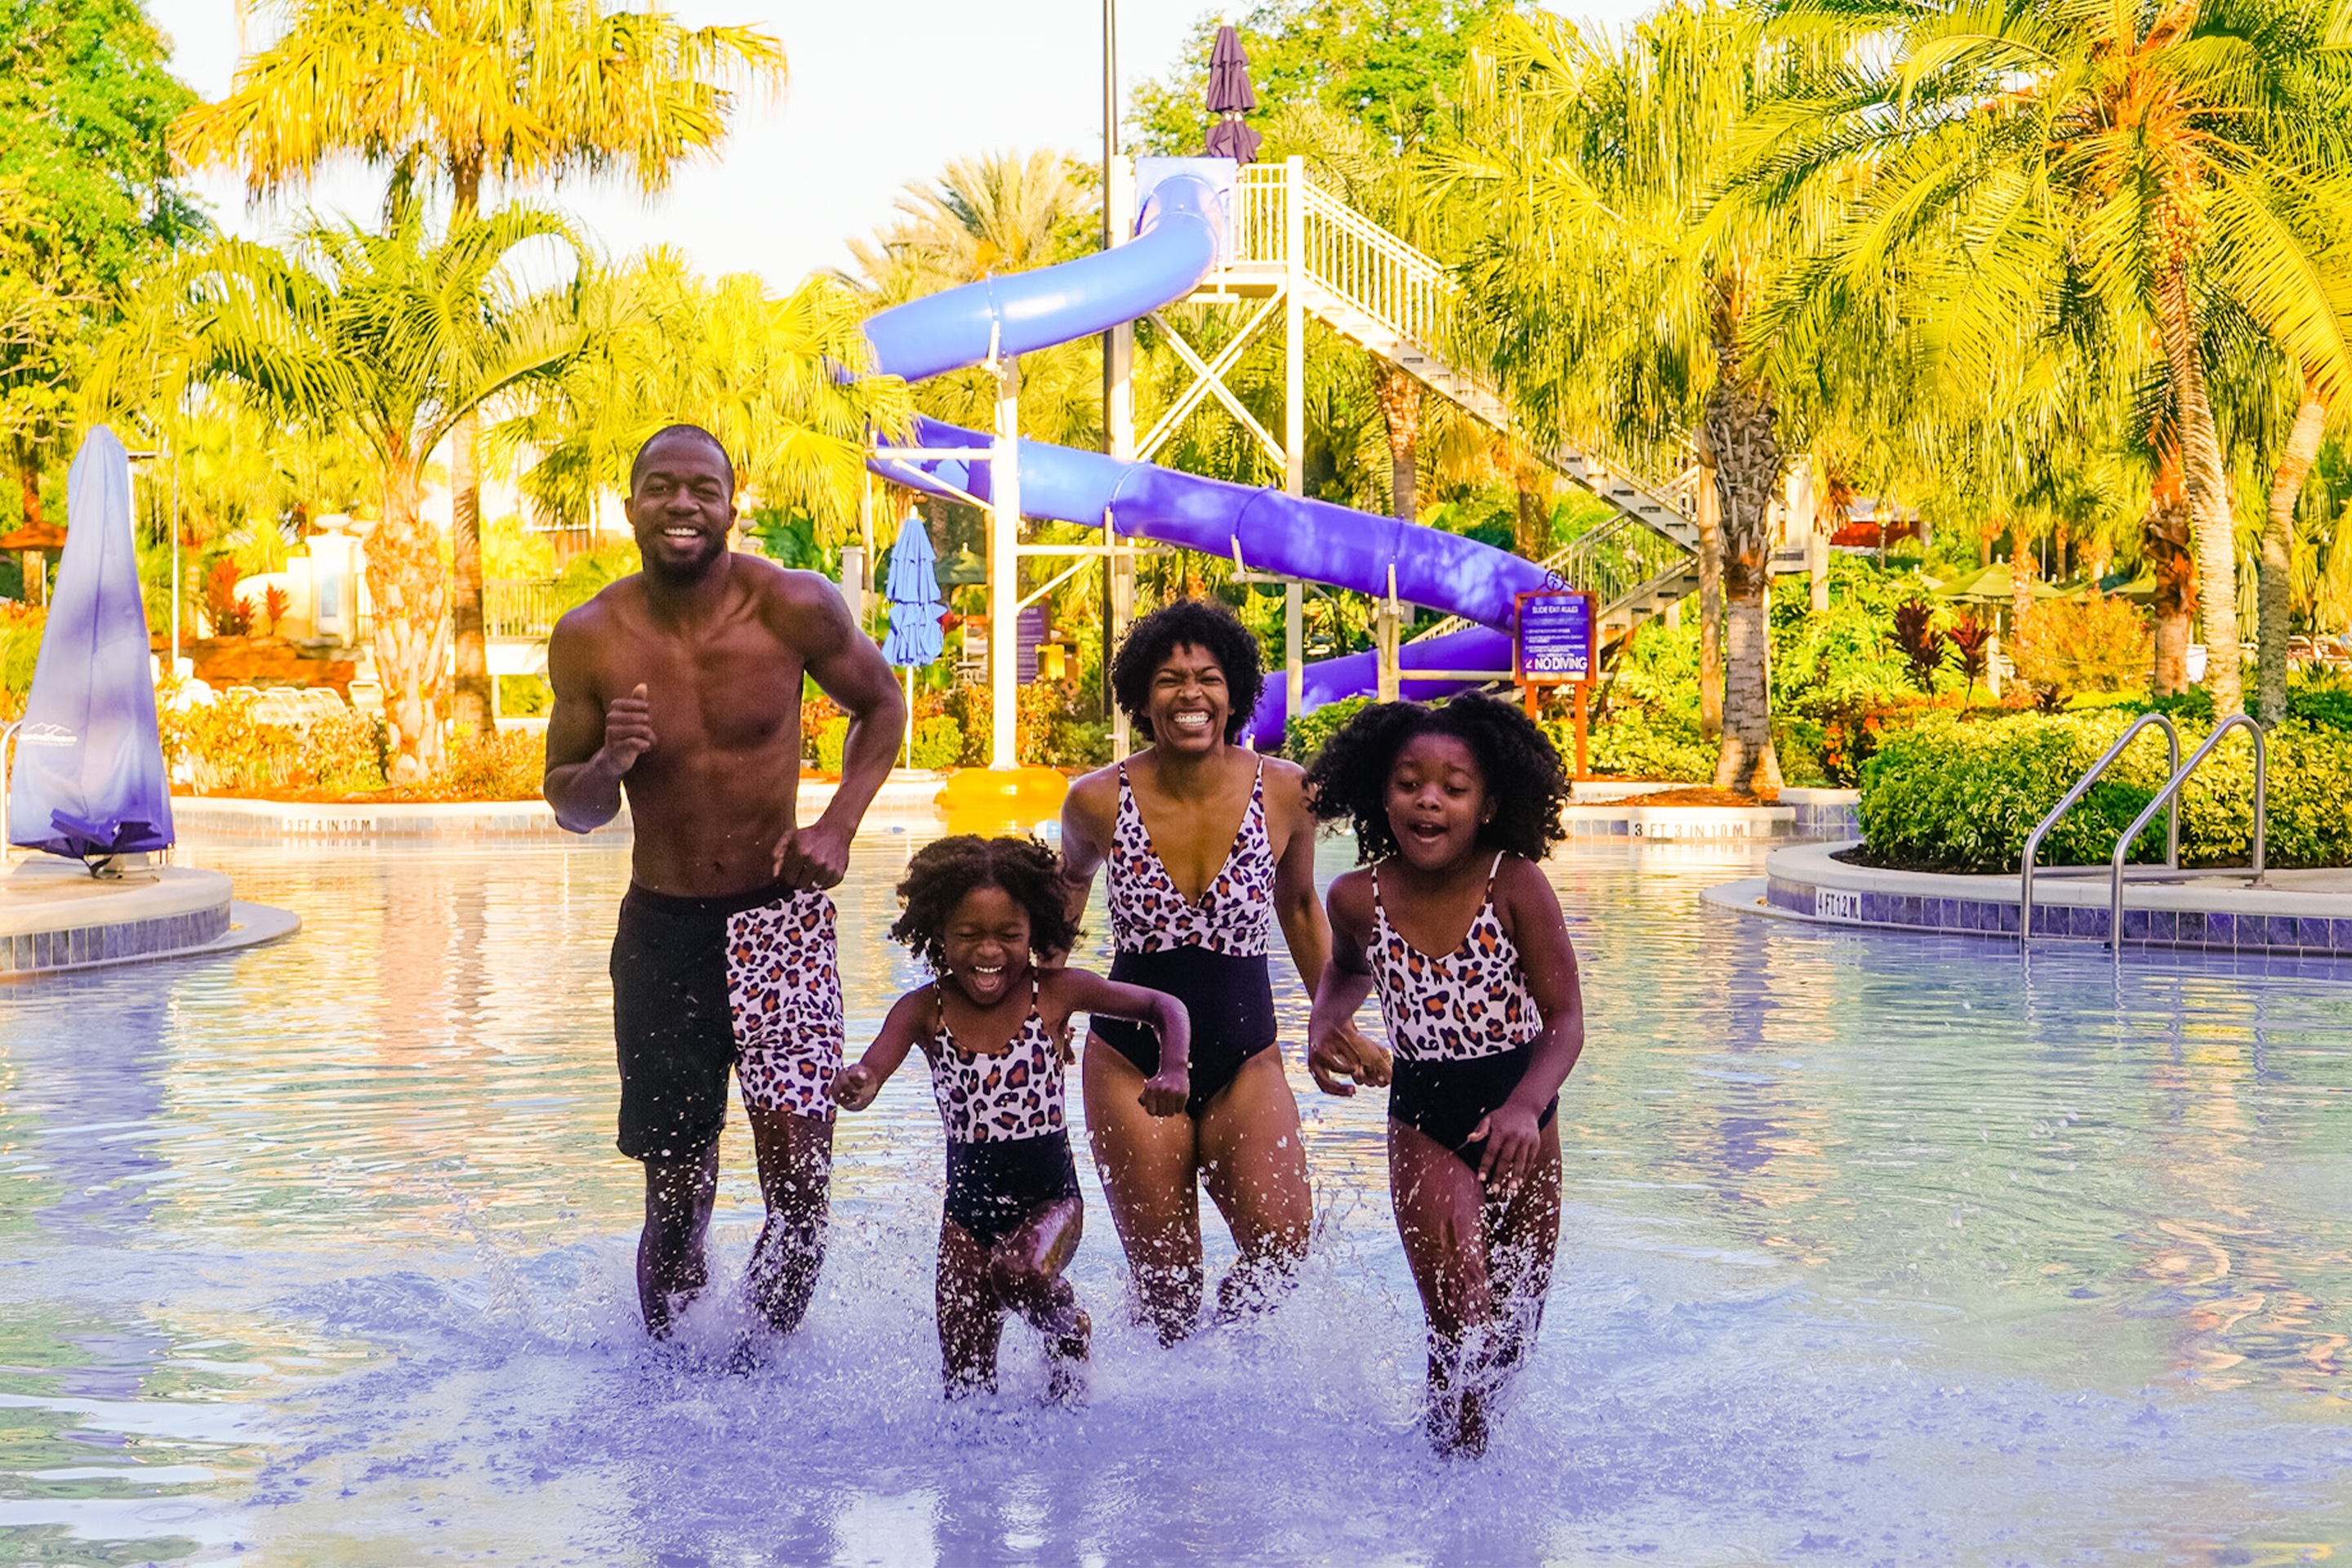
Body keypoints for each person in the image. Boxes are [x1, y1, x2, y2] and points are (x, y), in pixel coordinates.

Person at [543, 422, 905, 1342]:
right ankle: (672, 1386)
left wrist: (838, 822)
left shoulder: (795, 607)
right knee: (676, 1195)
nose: (682, 505)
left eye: (702, 488)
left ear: (731, 506)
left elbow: (881, 705)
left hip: (779, 925)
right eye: (661, 487)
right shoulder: (589, 639)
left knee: (801, 1192)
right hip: (663, 936)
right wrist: (608, 765)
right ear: (629, 508)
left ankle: (762, 1375)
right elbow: (571, 808)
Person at [1058, 599, 1373, 1343]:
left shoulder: (1287, 790)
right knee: (1167, 1294)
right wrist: (1039, 1013)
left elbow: (1299, 910)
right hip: (1130, 1060)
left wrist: (1334, 1021)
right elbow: (1061, 906)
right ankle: (1155, 1423)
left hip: (1246, 1054)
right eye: (1169, 679)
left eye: (1207, 677)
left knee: (1282, 1252)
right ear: (1141, 696)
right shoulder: (1097, 799)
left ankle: (1228, 1375)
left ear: (1234, 693)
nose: (1190, 694)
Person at [1303, 693, 1584, 1456]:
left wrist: (1527, 1107)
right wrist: (1326, 1017)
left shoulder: (1516, 884)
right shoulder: (1357, 897)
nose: (1429, 800)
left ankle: (1454, 1458)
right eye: (1409, 783)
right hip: (1426, 1115)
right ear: (1379, 793)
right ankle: (1451, 1481)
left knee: (1512, 1329)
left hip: (1526, 1117)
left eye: (1454, 788)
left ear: (1489, 803)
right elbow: (1345, 970)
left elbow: (1565, 1022)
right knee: (1462, 1317)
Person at [835, 835, 1192, 1400]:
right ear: (938, 933)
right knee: (966, 1391)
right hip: (966, 1217)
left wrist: (1173, 1068)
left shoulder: (1054, 993)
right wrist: (859, 1084)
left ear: (1036, 932)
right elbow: (871, 1071)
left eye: (1009, 936)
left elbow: (1164, 1006)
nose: (989, 952)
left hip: (1052, 1200)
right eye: (968, 935)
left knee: (1020, 1272)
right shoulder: (922, 1010)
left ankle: (1069, 1332)